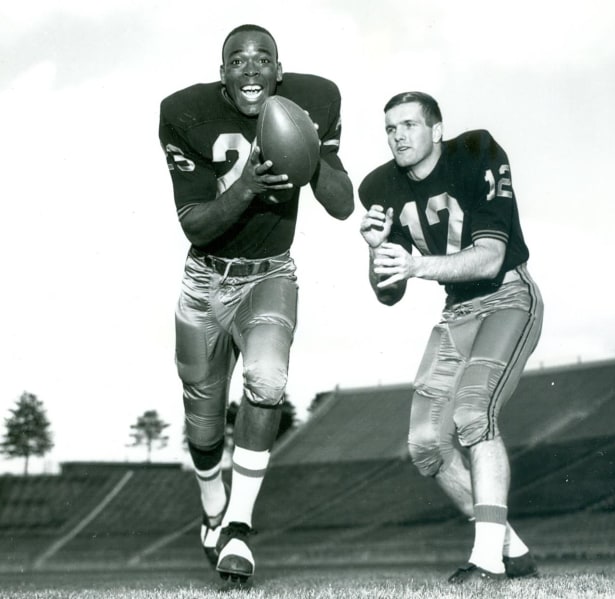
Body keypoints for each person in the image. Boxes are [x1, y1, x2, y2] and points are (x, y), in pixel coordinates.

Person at [158, 24, 353, 582]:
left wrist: (311, 155)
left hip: (270, 273)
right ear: (222, 72)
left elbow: (342, 205)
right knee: (203, 423)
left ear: (278, 69)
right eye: (237, 60)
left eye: (262, 58)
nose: (250, 68)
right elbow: (195, 224)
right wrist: (244, 187)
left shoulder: (313, 100)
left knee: (267, 380)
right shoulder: (184, 112)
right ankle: (212, 502)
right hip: (204, 282)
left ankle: (238, 528)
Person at [359, 92, 543, 584]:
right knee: (425, 445)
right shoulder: (381, 186)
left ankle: (487, 562)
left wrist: (417, 263)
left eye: (409, 125)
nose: (398, 135)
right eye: (390, 128)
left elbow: (488, 258)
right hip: (457, 309)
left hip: (506, 297)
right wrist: (379, 252)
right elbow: (388, 295)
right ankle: (513, 549)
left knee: (471, 412)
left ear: (437, 130)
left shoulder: (475, 154)